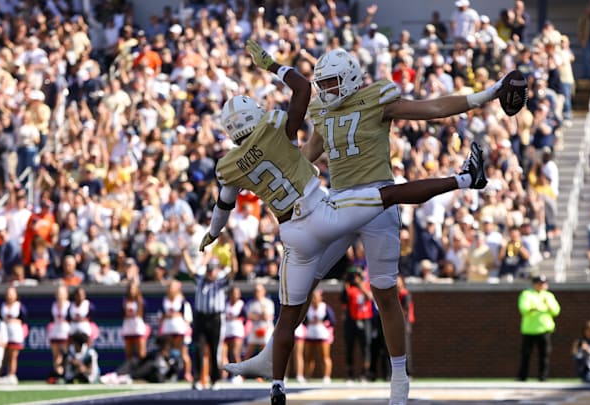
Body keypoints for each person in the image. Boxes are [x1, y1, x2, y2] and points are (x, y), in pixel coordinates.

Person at [222, 41, 520, 405]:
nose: (326, 91)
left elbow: (433, 107)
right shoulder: (320, 108)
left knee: (384, 294)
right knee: (303, 282)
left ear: (348, 79)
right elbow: (309, 154)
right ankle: (272, 356)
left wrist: (487, 94)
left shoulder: (377, 98)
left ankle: (399, 376)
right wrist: (273, 165)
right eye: (323, 83)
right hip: (335, 205)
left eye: (332, 83)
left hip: (376, 200)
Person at [188, 256, 231, 391]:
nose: (210, 273)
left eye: (213, 270)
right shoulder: (201, 280)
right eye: (209, 270)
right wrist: (183, 252)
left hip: (215, 318)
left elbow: (234, 272)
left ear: (217, 270)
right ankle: (198, 379)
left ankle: (215, 379)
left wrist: (233, 253)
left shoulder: (220, 282)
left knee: (214, 350)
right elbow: (191, 271)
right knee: (199, 349)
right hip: (201, 318)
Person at [517, 274, 561, 382]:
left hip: (544, 329)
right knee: (526, 355)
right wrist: (540, 308)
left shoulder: (549, 296)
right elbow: (524, 308)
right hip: (529, 330)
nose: (542, 285)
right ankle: (522, 377)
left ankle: (543, 377)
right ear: (534, 284)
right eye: (539, 283)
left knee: (544, 355)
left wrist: (541, 307)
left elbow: (556, 311)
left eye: (544, 283)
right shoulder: (527, 294)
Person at [159, 280, 193, 382]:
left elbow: (188, 318)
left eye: (173, 287)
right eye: (169, 287)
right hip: (167, 330)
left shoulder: (182, 302)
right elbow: (161, 316)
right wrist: (167, 316)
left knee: (183, 353)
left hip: (180, 331)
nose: (170, 289)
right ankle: (170, 374)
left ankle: (187, 374)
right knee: (167, 354)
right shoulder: (164, 301)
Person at [303, 289, 335, 384]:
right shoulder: (308, 308)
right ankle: (307, 376)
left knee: (324, 357)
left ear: (320, 298)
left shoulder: (325, 307)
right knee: (309, 357)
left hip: (323, 335)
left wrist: (323, 323)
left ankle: (326, 376)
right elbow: (304, 321)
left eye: (316, 297)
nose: (314, 299)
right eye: (313, 297)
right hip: (310, 334)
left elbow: (332, 321)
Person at [0, 286, 27, 385]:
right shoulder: (3, 305)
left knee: (13, 356)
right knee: (3, 356)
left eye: (12, 294)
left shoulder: (19, 306)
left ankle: (11, 375)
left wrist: (14, 321)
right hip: (4, 334)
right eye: (8, 294)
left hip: (15, 334)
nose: (10, 296)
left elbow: (24, 320)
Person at [47, 284, 71, 382]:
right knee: (56, 356)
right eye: (58, 293)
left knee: (67, 354)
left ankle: (67, 373)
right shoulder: (53, 305)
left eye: (62, 293)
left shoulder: (69, 305)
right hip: (55, 332)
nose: (60, 295)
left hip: (66, 332)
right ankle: (58, 375)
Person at [120, 282, 148, 362]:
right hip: (128, 328)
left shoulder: (141, 301)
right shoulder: (124, 301)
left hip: (138, 328)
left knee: (141, 353)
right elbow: (122, 314)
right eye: (130, 289)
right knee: (129, 354)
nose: (131, 291)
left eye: (133, 289)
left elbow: (143, 314)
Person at [223, 286, 246, 383]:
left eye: (236, 293)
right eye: (233, 293)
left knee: (235, 352)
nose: (234, 295)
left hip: (237, 331)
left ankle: (239, 375)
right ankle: (224, 375)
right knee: (224, 353)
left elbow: (246, 318)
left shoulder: (241, 304)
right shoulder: (226, 304)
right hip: (226, 331)